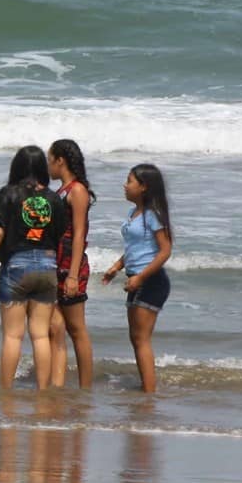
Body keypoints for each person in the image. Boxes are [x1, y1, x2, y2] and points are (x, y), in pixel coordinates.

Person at [0, 146, 66, 390]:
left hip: (16, 265)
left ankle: (6, 391)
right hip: (47, 265)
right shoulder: (53, 198)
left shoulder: (8, 194)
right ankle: (43, 391)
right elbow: (59, 234)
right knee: (40, 335)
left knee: (13, 335)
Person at [102, 164, 173, 393]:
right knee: (136, 338)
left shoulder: (152, 216)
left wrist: (141, 277)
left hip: (150, 281)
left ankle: (149, 393)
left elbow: (165, 250)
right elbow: (136, 247)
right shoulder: (134, 214)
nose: (125, 185)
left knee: (141, 339)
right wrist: (117, 266)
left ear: (143, 187)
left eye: (130, 181)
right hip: (136, 278)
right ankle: (146, 387)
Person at [47, 139, 95, 389]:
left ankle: (85, 389)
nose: (48, 166)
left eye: (50, 159)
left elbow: (79, 234)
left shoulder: (77, 190)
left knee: (77, 330)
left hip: (70, 267)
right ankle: (58, 386)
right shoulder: (61, 191)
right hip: (55, 267)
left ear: (60, 160)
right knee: (55, 329)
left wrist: (74, 275)